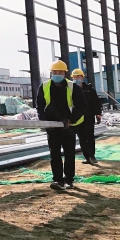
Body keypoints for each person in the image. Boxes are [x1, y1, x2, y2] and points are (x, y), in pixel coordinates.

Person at [36, 60, 87, 191]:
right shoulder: (44, 86)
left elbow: (82, 106)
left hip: (68, 126)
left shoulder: (72, 87)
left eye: (60, 72)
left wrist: (71, 119)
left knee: (69, 153)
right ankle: (58, 180)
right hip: (52, 126)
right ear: (51, 73)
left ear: (64, 73)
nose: (57, 74)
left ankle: (69, 180)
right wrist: (44, 122)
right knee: (55, 154)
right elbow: (40, 106)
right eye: (54, 72)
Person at [70, 68, 102, 165]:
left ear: (82, 77)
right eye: (74, 77)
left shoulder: (90, 90)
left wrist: (98, 114)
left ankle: (92, 155)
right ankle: (87, 157)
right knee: (81, 137)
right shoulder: (70, 89)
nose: (76, 78)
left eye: (78, 76)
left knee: (90, 136)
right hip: (77, 117)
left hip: (88, 116)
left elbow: (96, 102)